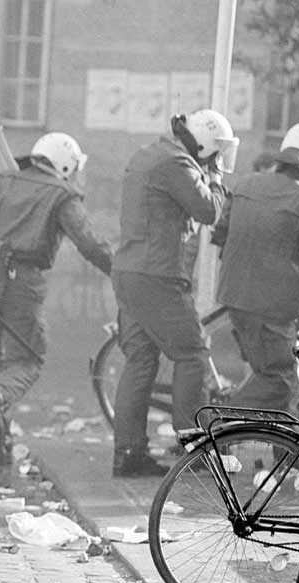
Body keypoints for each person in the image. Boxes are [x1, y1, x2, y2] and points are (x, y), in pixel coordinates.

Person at [0, 133, 113, 470]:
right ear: (64, 164)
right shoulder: (61, 194)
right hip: (23, 280)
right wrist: (120, 271)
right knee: (29, 357)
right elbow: (89, 244)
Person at [111, 109, 235, 477]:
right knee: (192, 354)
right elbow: (209, 210)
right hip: (158, 275)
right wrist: (214, 178)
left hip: (131, 271)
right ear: (206, 145)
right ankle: (194, 448)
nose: (218, 160)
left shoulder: (150, 154)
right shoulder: (176, 164)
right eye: (217, 152)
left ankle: (129, 453)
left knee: (141, 362)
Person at [212, 121, 299, 414]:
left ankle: (271, 454)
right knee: (278, 382)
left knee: (268, 378)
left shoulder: (246, 184)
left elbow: (220, 234)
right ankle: (215, 438)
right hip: (270, 309)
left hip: (234, 298)